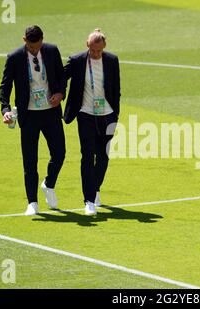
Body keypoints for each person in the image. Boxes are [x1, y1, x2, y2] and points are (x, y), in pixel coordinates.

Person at [0, 25, 66, 216]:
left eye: (37, 46)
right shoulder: (15, 57)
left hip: (51, 112)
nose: (34, 50)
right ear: (24, 40)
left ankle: (49, 183)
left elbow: (62, 77)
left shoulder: (52, 51)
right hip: (28, 115)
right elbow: (5, 85)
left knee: (60, 153)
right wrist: (5, 109)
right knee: (30, 161)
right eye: (31, 47)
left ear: (42, 40)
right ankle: (32, 203)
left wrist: (60, 93)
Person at [63, 28, 120, 216]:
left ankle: (95, 189)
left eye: (100, 51)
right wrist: (57, 93)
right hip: (85, 113)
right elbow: (60, 77)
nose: (96, 54)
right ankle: (88, 200)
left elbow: (116, 89)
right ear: (87, 45)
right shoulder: (78, 61)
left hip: (107, 114)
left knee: (103, 157)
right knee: (87, 155)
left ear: (104, 47)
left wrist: (115, 115)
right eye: (93, 50)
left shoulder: (112, 60)